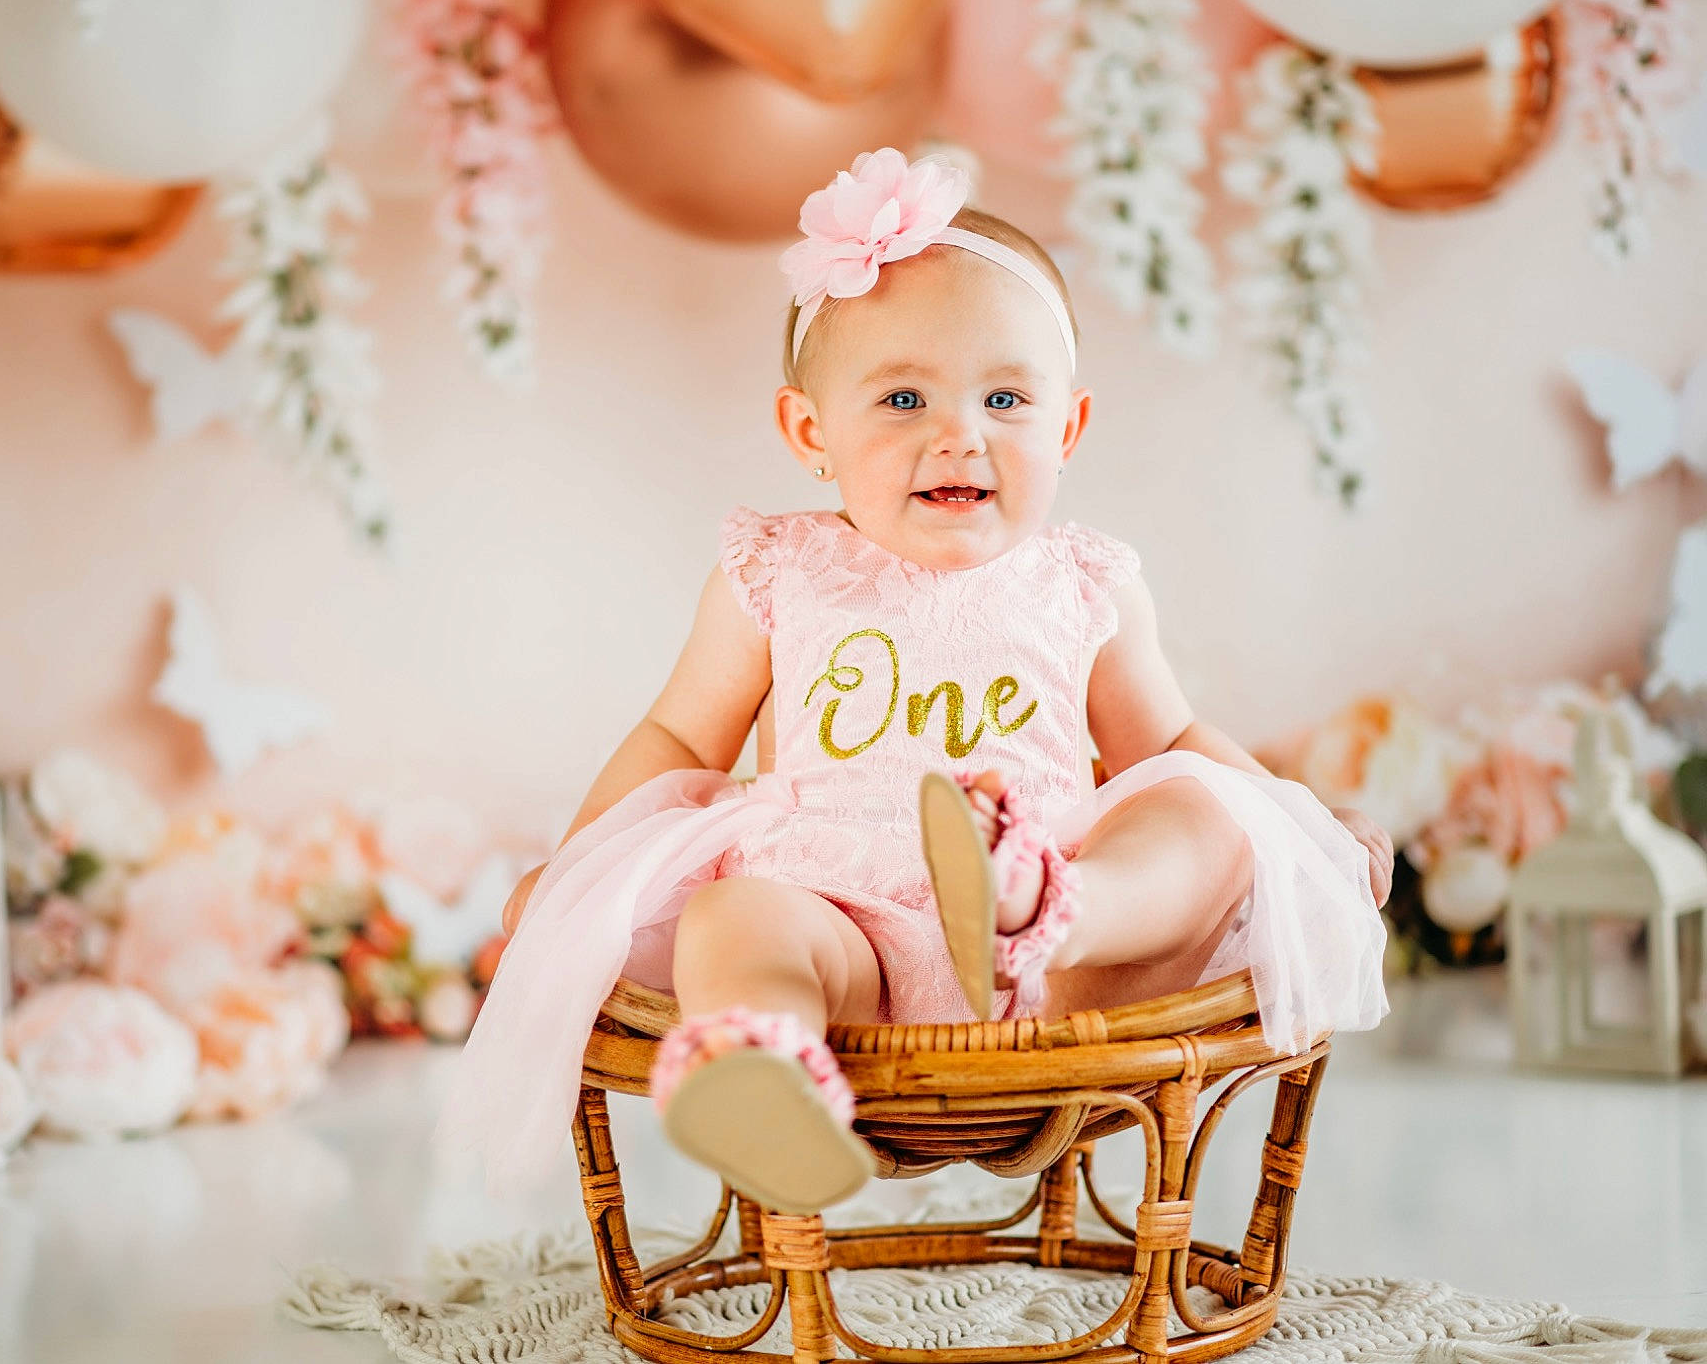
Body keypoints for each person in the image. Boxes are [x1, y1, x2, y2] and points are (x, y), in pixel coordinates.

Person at [440, 148, 1390, 1215]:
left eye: (1002, 397)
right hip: (836, 932)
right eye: (901, 397)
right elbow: (676, 740)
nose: (959, 434)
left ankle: (1048, 906)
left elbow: (1165, 746)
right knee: (733, 921)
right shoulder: (778, 570)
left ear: (1066, 427)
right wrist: (574, 869)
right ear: (811, 432)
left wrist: (1294, 827)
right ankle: (763, 1066)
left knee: (1199, 815)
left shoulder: (1085, 586)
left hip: (1055, 975)